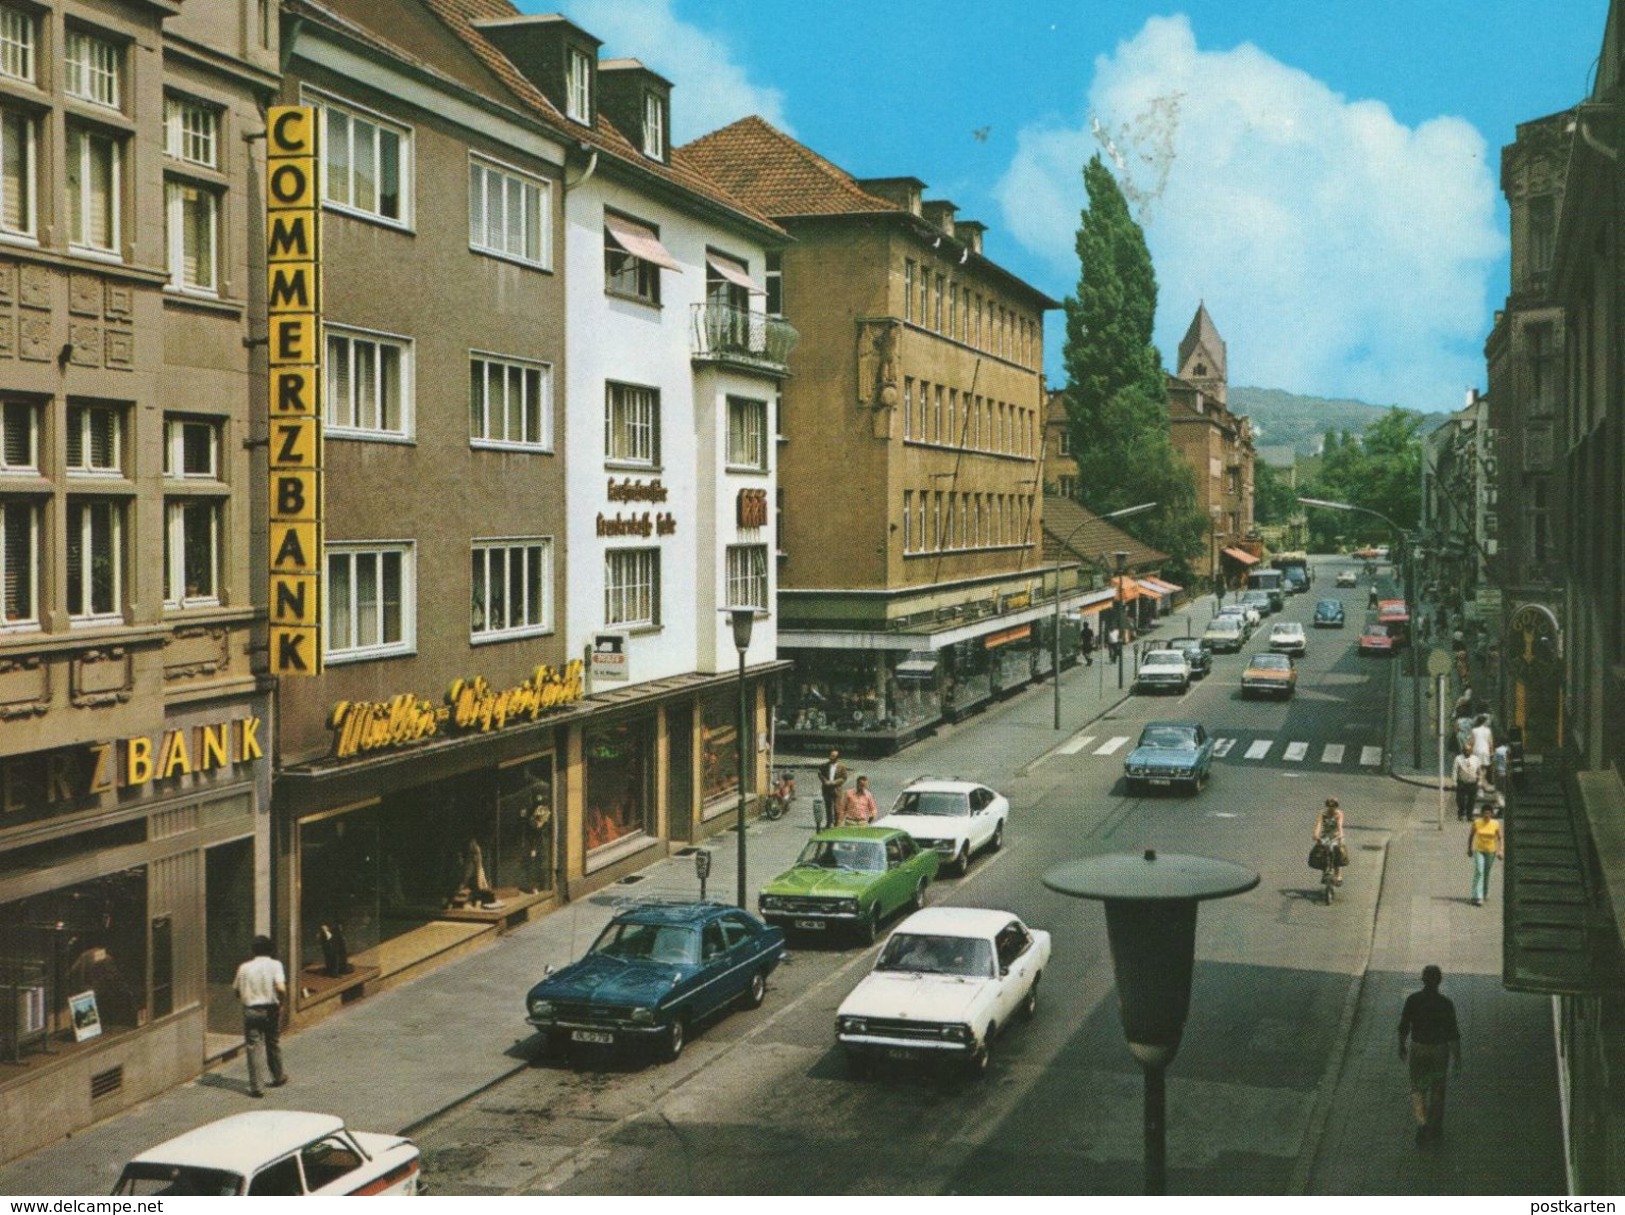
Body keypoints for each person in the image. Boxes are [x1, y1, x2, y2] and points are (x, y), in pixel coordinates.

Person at [1398, 965, 1461, 1145]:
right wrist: (1457, 1058)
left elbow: (1404, 1026)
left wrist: (1401, 1045)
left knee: (1418, 1088)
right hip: (1439, 1051)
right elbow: (1453, 1033)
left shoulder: (1413, 1000)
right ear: (1439, 981)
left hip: (1419, 1049)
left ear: (1422, 980)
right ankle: (1435, 1128)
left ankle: (1422, 1125)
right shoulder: (1446, 1004)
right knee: (1438, 1089)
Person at [233, 935, 287, 1098]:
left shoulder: (244, 967)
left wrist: (246, 997)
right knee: (272, 1042)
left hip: (251, 1011)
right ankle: (277, 1076)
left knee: (253, 1047)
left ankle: (257, 1087)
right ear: (270, 950)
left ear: (253, 951)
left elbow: (236, 989)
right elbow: (281, 988)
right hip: (270, 1009)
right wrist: (281, 1003)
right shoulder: (275, 965)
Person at [1468, 801, 1505, 906]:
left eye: (1489, 813)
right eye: (1485, 813)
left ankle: (1484, 893)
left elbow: (1500, 838)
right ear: (1482, 814)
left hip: (1490, 851)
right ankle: (1477, 896)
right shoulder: (1477, 823)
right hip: (1478, 849)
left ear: (1492, 814)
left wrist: (1500, 850)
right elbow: (1471, 836)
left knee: (1486, 872)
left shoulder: (1495, 824)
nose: (1487, 816)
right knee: (1479, 870)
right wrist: (1469, 849)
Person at [1313, 796, 1346, 886]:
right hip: (1325, 835)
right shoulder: (1323, 814)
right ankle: (1325, 872)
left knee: (1338, 851)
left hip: (1336, 835)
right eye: (1330, 806)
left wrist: (1340, 834)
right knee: (1321, 851)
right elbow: (1319, 824)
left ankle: (1338, 874)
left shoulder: (1339, 814)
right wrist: (1316, 834)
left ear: (1336, 806)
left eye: (1334, 806)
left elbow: (1339, 825)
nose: (1332, 809)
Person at [817, 749, 847, 832]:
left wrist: (834, 782)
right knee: (828, 807)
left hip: (836, 789)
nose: (831, 757)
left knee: (837, 807)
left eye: (833, 756)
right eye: (831, 755)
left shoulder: (842, 767)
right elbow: (820, 774)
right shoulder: (825, 765)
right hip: (826, 789)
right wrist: (825, 781)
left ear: (837, 758)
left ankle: (837, 823)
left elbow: (844, 778)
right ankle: (829, 822)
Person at [1452, 741, 1483, 822]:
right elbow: (1455, 770)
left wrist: (1479, 781)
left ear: (1471, 751)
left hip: (1472, 782)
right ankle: (1461, 813)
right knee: (1460, 799)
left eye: (1469, 750)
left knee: (1472, 800)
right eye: (1465, 750)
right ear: (1463, 750)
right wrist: (1454, 782)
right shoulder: (1458, 758)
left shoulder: (1476, 759)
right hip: (1462, 782)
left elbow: (1479, 771)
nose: (1467, 752)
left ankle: (1470, 815)